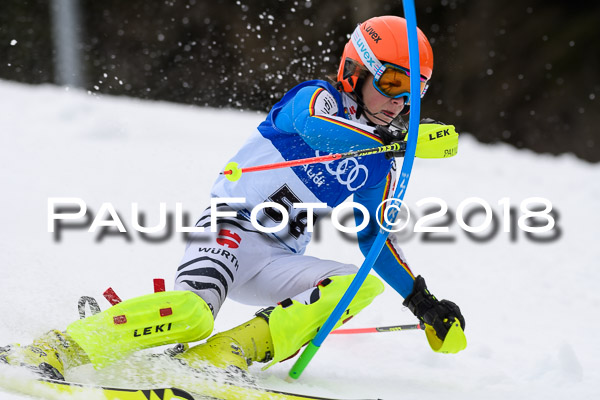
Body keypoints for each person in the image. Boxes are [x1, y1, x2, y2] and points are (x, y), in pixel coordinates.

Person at [1, 15, 465, 381]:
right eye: (390, 84)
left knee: (360, 283)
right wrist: (399, 144)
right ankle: (55, 348)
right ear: (353, 70)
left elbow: (374, 243)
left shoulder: (380, 162)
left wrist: (424, 304)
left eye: (415, 92)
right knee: (191, 314)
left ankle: (225, 355)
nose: (399, 103)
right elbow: (317, 130)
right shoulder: (315, 99)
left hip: (277, 258)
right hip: (228, 231)